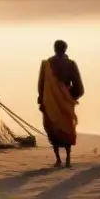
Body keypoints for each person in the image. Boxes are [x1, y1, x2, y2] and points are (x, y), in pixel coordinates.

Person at [38, 40, 83, 168]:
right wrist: (69, 97)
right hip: (60, 101)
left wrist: (42, 98)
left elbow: (41, 85)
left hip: (51, 102)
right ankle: (66, 158)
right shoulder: (69, 64)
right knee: (65, 128)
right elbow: (79, 87)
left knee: (54, 128)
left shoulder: (48, 64)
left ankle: (59, 159)